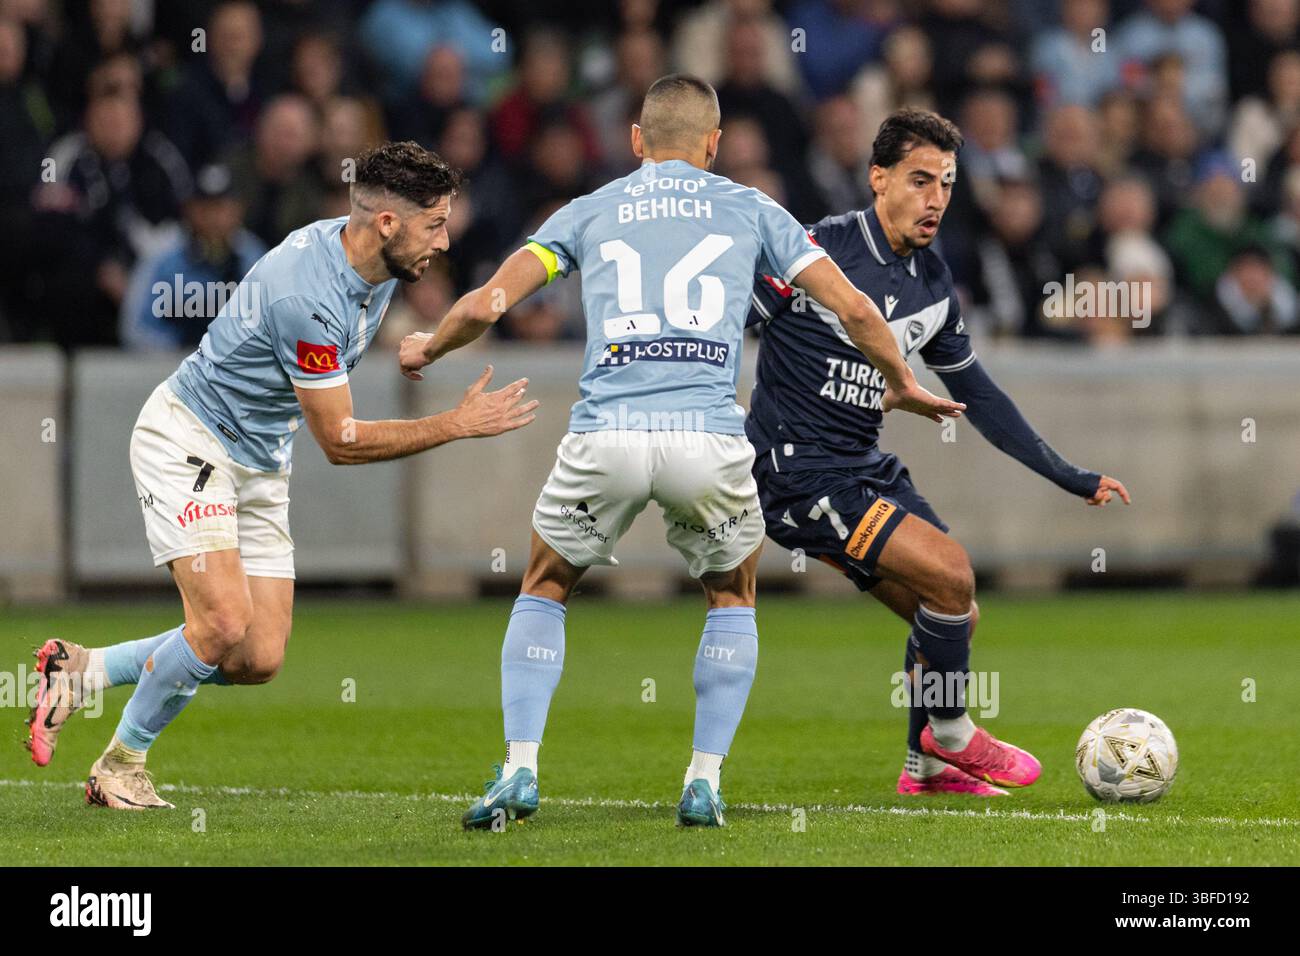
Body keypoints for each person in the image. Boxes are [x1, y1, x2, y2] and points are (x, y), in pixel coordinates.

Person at [398, 75, 962, 829]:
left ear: (636, 140)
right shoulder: (754, 208)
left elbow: (486, 304)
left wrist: (426, 346)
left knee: (545, 584)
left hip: (608, 434)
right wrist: (904, 381)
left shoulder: (588, 210)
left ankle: (520, 767)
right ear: (714, 145)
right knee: (731, 597)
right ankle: (702, 781)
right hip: (708, 438)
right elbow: (856, 309)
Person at [26, 142, 538, 809]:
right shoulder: (309, 296)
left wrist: (425, 345)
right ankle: (121, 764)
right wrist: (455, 424)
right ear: (387, 223)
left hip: (261, 460)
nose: (445, 239)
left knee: (257, 656)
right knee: (219, 622)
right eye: (435, 224)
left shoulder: (371, 263)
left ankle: (84, 671)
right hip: (192, 439)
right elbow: (343, 442)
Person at [746, 108, 1130, 798]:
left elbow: (979, 397)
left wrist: (1069, 475)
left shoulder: (932, 284)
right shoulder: (817, 249)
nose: (936, 199)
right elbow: (725, 318)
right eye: (921, 181)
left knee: (951, 607)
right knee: (952, 575)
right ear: (878, 178)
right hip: (798, 472)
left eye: (947, 184)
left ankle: (924, 767)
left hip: (863, 469)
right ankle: (951, 732)